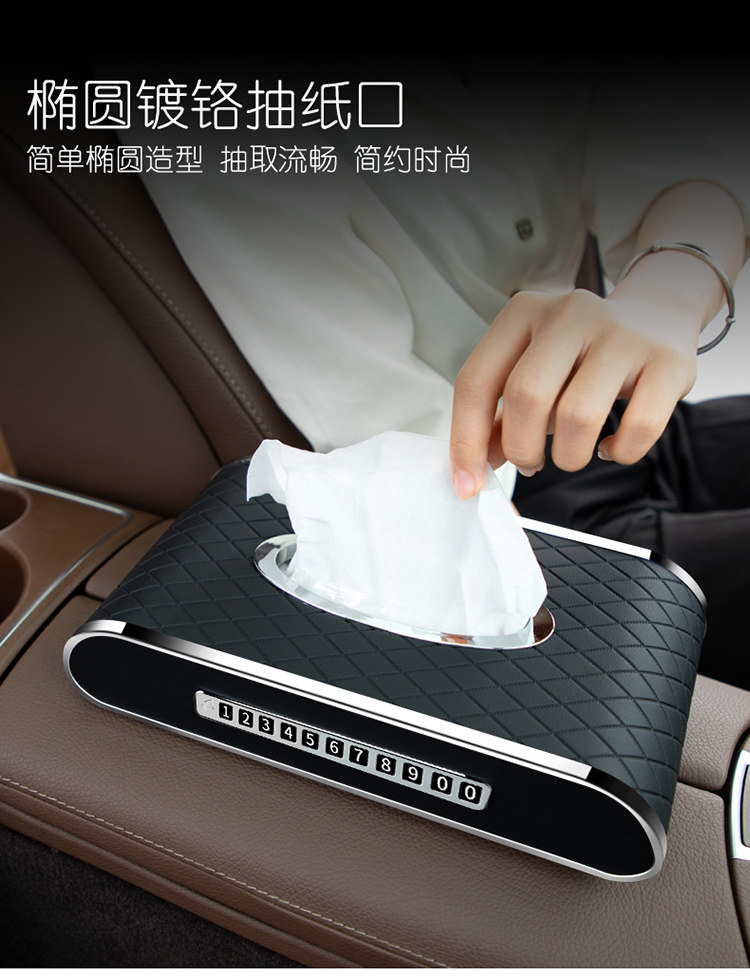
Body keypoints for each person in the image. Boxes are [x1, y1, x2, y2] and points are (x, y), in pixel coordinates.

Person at [136, 55, 750, 684]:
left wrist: (668, 295)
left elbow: (677, 160)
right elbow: (374, 409)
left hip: (596, 411)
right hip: (509, 515)